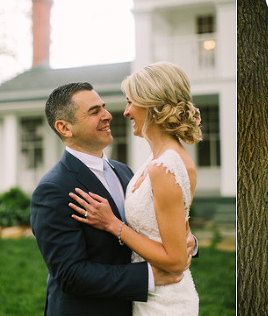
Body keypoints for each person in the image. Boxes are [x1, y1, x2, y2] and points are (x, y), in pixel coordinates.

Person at [31, 82, 193, 316]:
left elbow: (148, 225)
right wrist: (149, 276)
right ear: (65, 128)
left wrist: (187, 242)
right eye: (94, 111)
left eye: (104, 108)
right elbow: (70, 274)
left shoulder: (124, 171)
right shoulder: (52, 189)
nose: (107, 115)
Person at [68, 61, 203, 315]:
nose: (126, 111)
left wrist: (112, 224)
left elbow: (175, 261)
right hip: (145, 294)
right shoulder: (156, 161)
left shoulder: (164, 167)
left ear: (151, 104)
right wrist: (190, 241)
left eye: (131, 102)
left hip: (165, 302)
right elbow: (170, 228)